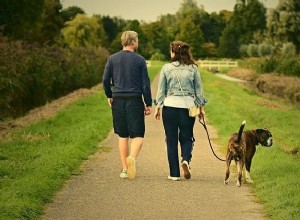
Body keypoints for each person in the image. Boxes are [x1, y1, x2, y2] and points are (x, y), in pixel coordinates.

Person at [154, 40, 207, 181]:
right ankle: (186, 159)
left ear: (173, 52)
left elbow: (161, 90)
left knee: (171, 140)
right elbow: (199, 91)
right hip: (189, 107)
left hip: (170, 107)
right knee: (187, 136)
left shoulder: (166, 68)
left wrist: (158, 107)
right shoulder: (193, 68)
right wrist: (201, 108)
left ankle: (174, 174)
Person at [103, 31, 152, 180]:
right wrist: (148, 103)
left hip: (117, 99)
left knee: (123, 136)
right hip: (134, 100)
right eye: (137, 41)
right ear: (132, 42)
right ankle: (132, 157)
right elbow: (145, 83)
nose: (137, 43)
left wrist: (109, 95)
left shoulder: (112, 59)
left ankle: (124, 169)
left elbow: (105, 80)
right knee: (138, 135)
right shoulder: (140, 60)